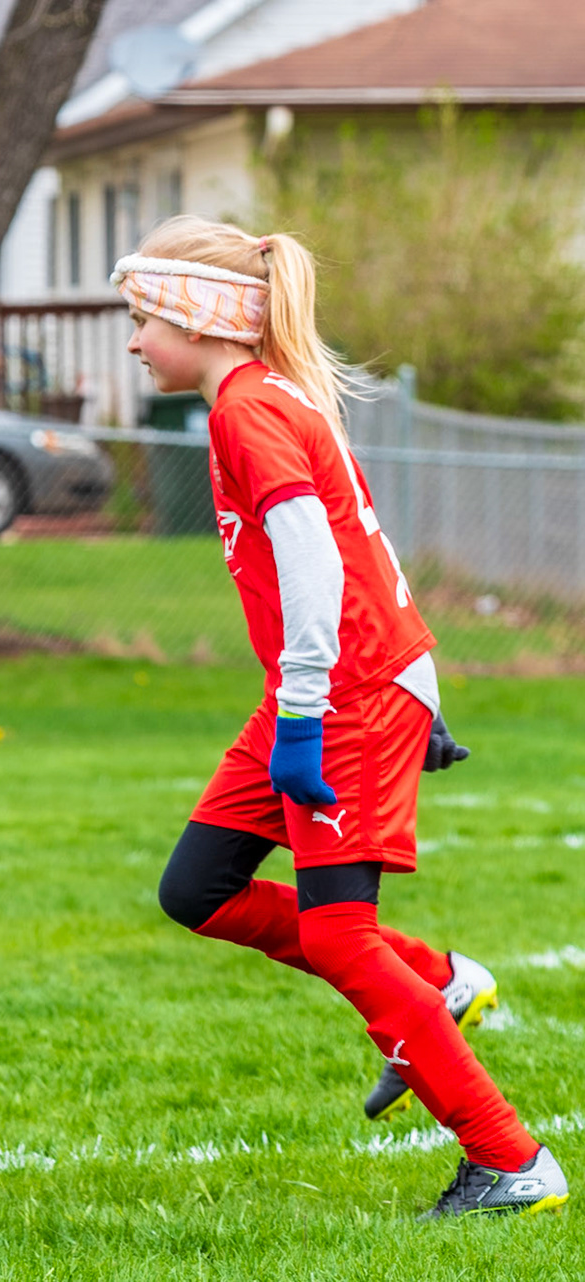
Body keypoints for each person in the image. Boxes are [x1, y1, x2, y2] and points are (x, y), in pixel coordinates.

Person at [118, 215, 566, 1219]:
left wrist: (313, 714)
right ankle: (441, 984)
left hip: (341, 692)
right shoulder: (262, 396)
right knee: (198, 887)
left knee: (339, 936)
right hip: (336, 684)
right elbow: (363, 547)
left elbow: (319, 562)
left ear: (197, 316)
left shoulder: (249, 408)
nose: (137, 340)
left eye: (144, 317)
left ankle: (512, 1160)